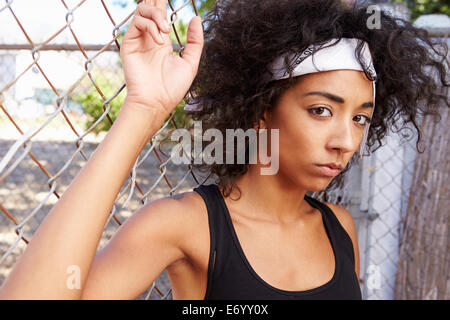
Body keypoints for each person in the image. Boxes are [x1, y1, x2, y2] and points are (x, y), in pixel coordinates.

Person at [0, 0, 447, 300]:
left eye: (360, 118)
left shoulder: (340, 229)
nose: (346, 141)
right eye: (320, 111)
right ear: (262, 109)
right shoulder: (186, 225)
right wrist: (142, 111)